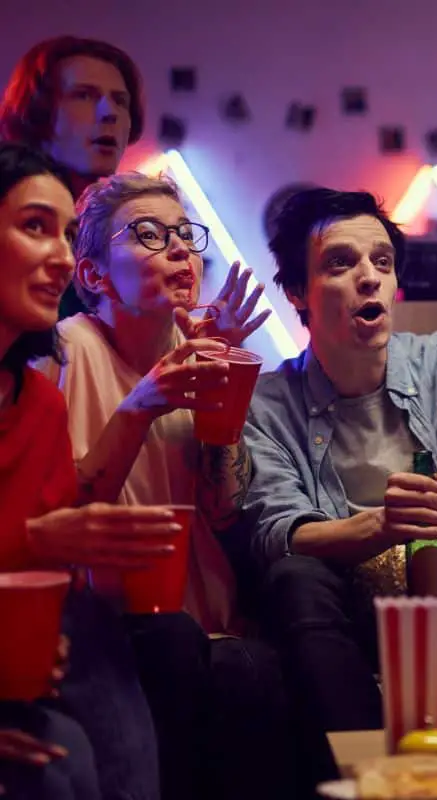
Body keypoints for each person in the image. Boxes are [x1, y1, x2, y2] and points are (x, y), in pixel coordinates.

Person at [241, 187, 437, 756]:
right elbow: (277, 534)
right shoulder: (267, 404)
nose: (369, 277)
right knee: (294, 578)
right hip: (350, 607)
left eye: (382, 263)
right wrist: (378, 528)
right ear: (297, 292)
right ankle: (367, 774)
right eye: (341, 263)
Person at [37, 171, 297, 800]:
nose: (182, 250)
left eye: (186, 235)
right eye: (150, 236)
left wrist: (222, 402)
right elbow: (64, 518)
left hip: (203, 602)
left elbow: (223, 508)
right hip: (105, 613)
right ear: (94, 275)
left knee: (253, 662)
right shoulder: (64, 354)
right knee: (182, 649)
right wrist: (143, 401)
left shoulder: (199, 349)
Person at [0, 141, 176, 799]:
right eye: (34, 227)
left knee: (68, 741)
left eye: (67, 235)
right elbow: (32, 545)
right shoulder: (74, 357)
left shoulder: (36, 404)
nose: (59, 257)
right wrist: (34, 543)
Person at [1, 36, 146, 320]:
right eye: (84, 95)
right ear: (39, 112)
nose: (109, 113)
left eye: (120, 101)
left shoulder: (106, 231)